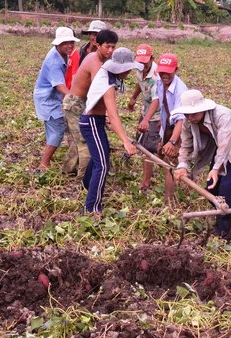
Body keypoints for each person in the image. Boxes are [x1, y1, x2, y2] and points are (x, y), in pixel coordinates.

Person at [172, 89, 231, 238]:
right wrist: (182, 165)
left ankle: (223, 232)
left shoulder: (222, 114)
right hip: (218, 149)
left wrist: (216, 168)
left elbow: (225, 143)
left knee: (227, 189)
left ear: (202, 109)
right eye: (187, 114)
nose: (190, 117)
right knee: (211, 190)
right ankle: (226, 214)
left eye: (193, 114)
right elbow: (186, 144)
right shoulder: (188, 121)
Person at [80, 48, 143, 214]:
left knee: (101, 156)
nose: (130, 71)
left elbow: (107, 111)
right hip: (91, 122)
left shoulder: (109, 76)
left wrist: (105, 115)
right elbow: (114, 116)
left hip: (96, 120)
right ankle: (91, 208)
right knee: (102, 165)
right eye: (128, 68)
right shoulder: (108, 84)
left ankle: (87, 185)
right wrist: (126, 141)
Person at [62, 30, 118, 178]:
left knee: (77, 138)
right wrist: (108, 116)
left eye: (113, 47)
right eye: (107, 46)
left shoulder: (94, 57)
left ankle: (68, 170)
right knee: (86, 142)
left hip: (81, 102)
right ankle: (84, 180)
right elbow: (99, 92)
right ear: (98, 45)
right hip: (75, 104)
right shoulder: (96, 64)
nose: (111, 50)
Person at [33, 27, 80, 171]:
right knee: (58, 129)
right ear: (57, 44)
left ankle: (46, 159)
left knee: (54, 128)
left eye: (71, 42)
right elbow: (60, 85)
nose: (69, 46)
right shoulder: (54, 61)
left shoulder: (63, 54)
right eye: (65, 43)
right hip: (48, 98)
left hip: (51, 96)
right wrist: (75, 100)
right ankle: (44, 163)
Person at [127, 44, 161, 190]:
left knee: (148, 148)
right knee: (142, 140)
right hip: (145, 111)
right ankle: (160, 157)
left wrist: (147, 119)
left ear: (152, 59)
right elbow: (139, 83)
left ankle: (145, 183)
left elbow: (156, 100)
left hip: (157, 115)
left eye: (145, 61)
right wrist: (133, 97)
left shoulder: (156, 75)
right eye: (139, 61)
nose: (141, 65)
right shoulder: (139, 69)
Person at [156, 53, 187, 203]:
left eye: (168, 72)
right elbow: (162, 105)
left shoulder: (181, 90)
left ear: (176, 69)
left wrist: (173, 142)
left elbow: (181, 120)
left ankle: (169, 201)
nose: (164, 75)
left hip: (179, 132)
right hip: (167, 128)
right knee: (164, 161)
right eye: (162, 71)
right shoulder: (159, 82)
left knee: (169, 164)